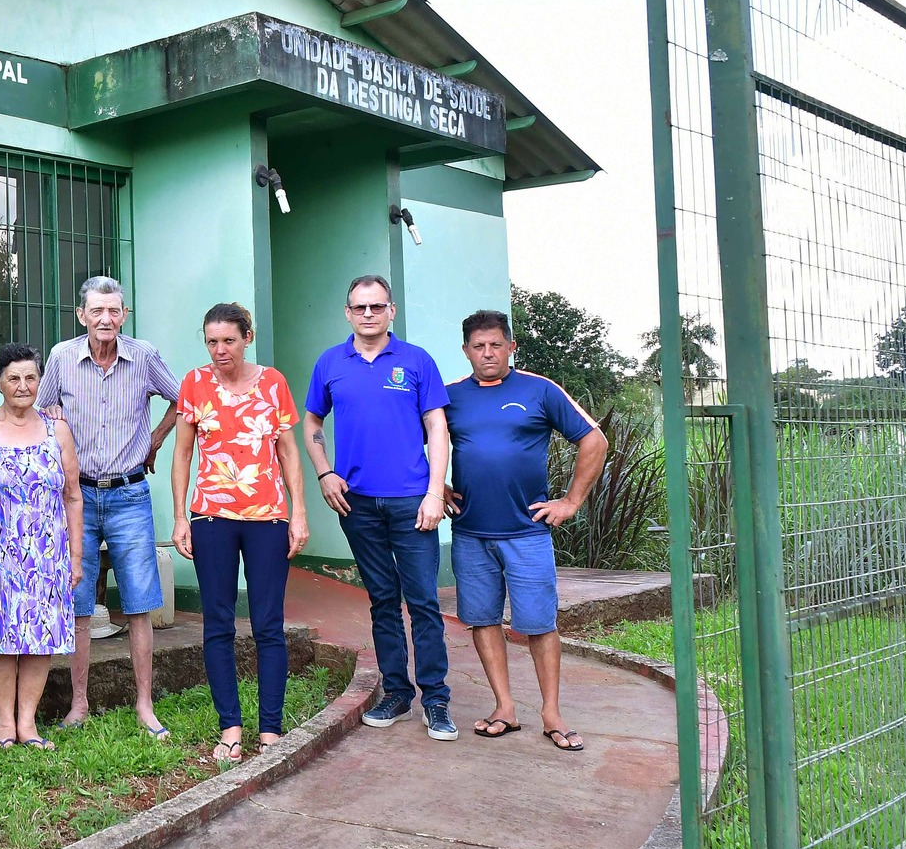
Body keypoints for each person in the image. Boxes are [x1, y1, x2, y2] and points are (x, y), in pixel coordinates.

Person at [302, 275, 458, 742]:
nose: (368, 314)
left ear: (391, 310)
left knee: (424, 602)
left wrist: (434, 492)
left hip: (413, 501)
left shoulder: (416, 361)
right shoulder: (331, 362)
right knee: (382, 601)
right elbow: (311, 420)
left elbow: (437, 428)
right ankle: (396, 691)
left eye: (377, 307)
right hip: (358, 504)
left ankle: (436, 699)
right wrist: (325, 472)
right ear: (347, 312)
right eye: (359, 307)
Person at [445, 310, 607, 752]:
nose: (487, 353)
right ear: (466, 351)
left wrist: (571, 501)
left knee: (538, 624)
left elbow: (594, 440)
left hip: (527, 533)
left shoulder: (539, 390)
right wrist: (433, 487)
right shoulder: (450, 396)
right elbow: (414, 438)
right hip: (471, 533)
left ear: (511, 347)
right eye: (478, 346)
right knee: (482, 620)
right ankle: (504, 708)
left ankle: (551, 713)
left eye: (496, 344)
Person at [37, 275, 180, 737]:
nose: (105, 319)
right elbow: (41, 413)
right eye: (96, 311)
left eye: (114, 310)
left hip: (129, 494)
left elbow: (183, 400)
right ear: (82, 315)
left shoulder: (143, 356)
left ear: (124, 315)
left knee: (140, 603)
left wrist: (155, 440)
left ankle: (144, 705)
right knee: (79, 605)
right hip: (75, 498)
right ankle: (79, 705)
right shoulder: (60, 356)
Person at [170, 303, 309, 765]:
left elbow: (288, 452)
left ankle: (270, 730)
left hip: (267, 517)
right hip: (211, 518)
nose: (219, 350)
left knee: (269, 624)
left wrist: (299, 513)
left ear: (247, 337)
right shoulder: (194, 383)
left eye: (228, 340)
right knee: (218, 623)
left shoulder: (273, 383)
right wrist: (178, 517)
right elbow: (183, 455)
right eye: (211, 341)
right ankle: (230, 727)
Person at [0, 343, 84, 749]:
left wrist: (75, 557)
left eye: (31, 377)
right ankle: (4, 725)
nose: (23, 385)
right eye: (14, 378)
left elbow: (73, 496)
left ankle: (27, 723)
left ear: (40, 381)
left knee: (40, 638)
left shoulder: (59, 429)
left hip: (47, 554)